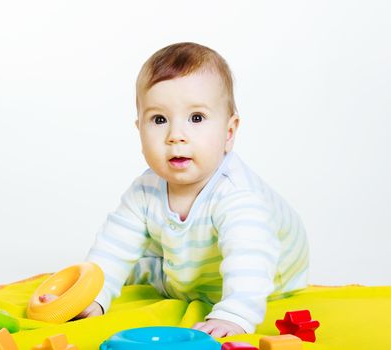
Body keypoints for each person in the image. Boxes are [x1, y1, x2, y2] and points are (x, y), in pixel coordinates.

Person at [44, 42, 309, 337]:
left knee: (242, 263)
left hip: (269, 279)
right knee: (131, 261)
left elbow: (250, 257)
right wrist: (92, 297)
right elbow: (113, 247)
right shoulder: (146, 189)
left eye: (196, 118)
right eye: (159, 120)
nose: (175, 136)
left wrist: (234, 316)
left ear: (229, 132)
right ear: (139, 129)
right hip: (188, 270)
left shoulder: (237, 195)